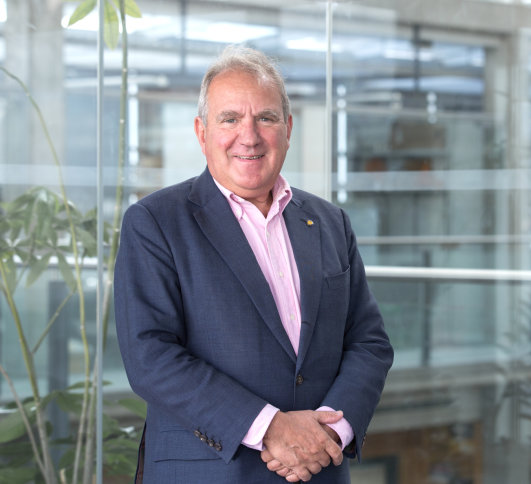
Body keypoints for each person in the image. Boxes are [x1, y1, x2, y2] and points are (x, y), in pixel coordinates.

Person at [114, 44, 394, 483]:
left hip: (319, 469)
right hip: (211, 472)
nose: (249, 135)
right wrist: (272, 428)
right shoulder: (154, 222)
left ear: (287, 128)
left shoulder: (329, 222)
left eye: (265, 117)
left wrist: (331, 434)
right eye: (230, 119)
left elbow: (369, 342)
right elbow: (151, 356)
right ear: (201, 131)